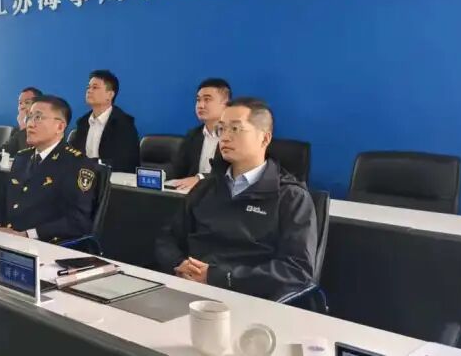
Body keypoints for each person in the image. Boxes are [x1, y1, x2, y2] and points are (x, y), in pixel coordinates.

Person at [154, 98, 317, 301]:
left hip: (249, 298)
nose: (225, 137)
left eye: (236, 129)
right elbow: (168, 238)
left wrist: (218, 277)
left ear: (264, 139)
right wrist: (178, 263)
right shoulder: (206, 188)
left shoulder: (290, 197)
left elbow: (296, 270)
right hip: (190, 289)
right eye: (221, 129)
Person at [0, 95, 96, 243]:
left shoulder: (77, 164)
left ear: (60, 127)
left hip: (42, 244)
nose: (30, 124)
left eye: (38, 118)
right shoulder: (21, 157)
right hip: (2, 239)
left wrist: (28, 235)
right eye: (29, 117)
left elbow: (77, 220)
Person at [68, 70, 140, 172]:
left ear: (110, 95)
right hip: (83, 177)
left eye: (95, 87)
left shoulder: (124, 124)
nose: (89, 91)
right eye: (88, 87)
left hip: (112, 178)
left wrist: (90, 164)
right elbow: (74, 155)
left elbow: (123, 161)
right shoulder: (83, 122)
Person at [168, 78, 232, 191]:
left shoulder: (234, 136)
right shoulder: (192, 135)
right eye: (198, 100)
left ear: (226, 104)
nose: (200, 105)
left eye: (207, 99)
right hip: (190, 196)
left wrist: (200, 178)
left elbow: (233, 174)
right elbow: (177, 172)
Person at [0, 86, 42, 154]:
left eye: (27, 102)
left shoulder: (44, 129)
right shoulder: (17, 130)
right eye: (20, 103)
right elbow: (5, 150)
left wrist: (24, 126)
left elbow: (29, 155)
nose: (22, 107)